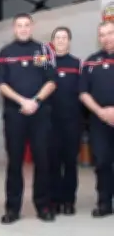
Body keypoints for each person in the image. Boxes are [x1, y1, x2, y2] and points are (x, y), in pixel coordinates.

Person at [0, 13, 57, 223]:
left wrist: (36, 101)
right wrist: (22, 101)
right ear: (14, 28)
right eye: (19, 25)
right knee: (14, 162)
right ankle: (12, 208)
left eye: (26, 25)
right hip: (15, 115)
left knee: (42, 161)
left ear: (32, 27)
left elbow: (52, 81)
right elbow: (1, 84)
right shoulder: (5, 52)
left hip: (40, 115)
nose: (23, 29)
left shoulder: (44, 50)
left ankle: (43, 206)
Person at [80, 20, 114, 217]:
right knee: (102, 162)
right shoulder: (91, 62)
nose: (106, 38)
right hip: (98, 122)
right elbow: (83, 92)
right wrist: (101, 112)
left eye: (110, 33)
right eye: (102, 35)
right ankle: (104, 203)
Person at [49, 27, 82, 215]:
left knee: (70, 162)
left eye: (64, 37)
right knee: (52, 162)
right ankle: (54, 200)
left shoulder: (77, 64)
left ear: (69, 41)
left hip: (72, 121)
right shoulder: (45, 63)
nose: (61, 41)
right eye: (57, 38)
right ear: (52, 41)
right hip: (50, 122)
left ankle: (69, 201)